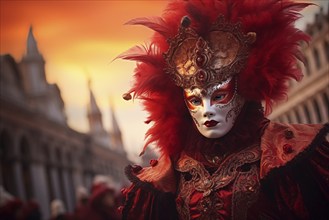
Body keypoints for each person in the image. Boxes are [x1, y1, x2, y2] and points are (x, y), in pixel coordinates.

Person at [118, 0, 329, 219]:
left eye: (219, 96)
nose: (207, 110)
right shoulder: (171, 172)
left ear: (243, 91)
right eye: (195, 101)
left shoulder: (282, 153)